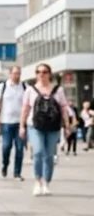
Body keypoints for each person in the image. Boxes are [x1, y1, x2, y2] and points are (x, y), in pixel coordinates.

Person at [20, 63, 70, 196]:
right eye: (38, 72)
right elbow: (25, 109)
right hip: (34, 126)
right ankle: (37, 181)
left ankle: (46, 182)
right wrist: (22, 126)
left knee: (49, 155)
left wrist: (67, 125)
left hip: (53, 126)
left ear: (49, 74)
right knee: (38, 152)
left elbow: (64, 108)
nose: (41, 74)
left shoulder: (58, 90)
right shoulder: (30, 90)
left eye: (44, 72)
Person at [0, 66, 27, 181]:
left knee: (20, 148)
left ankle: (17, 173)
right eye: (15, 73)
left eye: (19, 73)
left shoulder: (25, 87)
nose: (17, 76)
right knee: (6, 146)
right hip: (6, 122)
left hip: (20, 123)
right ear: (10, 74)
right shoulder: (3, 87)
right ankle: (5, 164)